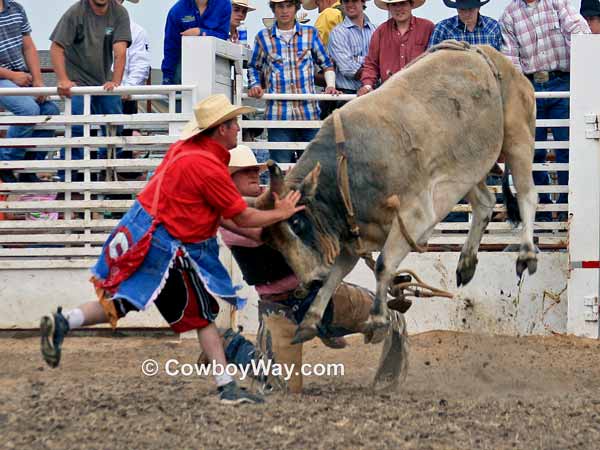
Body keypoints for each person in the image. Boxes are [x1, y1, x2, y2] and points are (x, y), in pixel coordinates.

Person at [39, 94, 305, 405]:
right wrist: (280, 214)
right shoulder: (207, 166)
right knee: (204, 314)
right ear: (220, 129)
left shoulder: (186, 151)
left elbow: (222, 215)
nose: (237, 128)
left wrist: (260, 230)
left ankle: (64, 321)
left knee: (124, 302)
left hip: (147, 235)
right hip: (168, 248)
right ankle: (226, 386)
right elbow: (240, 215)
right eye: (233, 124)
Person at [208, 145, 410, 393]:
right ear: (228, 180)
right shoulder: (230, 218)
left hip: (323, 295)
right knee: (282, 389)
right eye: (244, 171)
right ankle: (231, 345)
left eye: (254, 170)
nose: (253, 174)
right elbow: (265, 234)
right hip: (280, 310)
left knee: (390, 317)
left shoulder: (277, 200)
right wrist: (289, 202)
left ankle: (387, 384)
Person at [500, 0, 590, 221]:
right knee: (533, 151)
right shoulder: (510, 15)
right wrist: (518, 95)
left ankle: (570, 209)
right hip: (530, 86)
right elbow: (511, 61)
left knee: (568, 148)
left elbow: (578, 28)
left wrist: (581, 40)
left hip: (562, 82)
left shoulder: (557, 2)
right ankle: (541, 212)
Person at [248, 0, 338, 164]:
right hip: (278, 114)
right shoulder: (263, 37)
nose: (284, 11)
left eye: (288, 5)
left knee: (312, 168)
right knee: (281, 167)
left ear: (296, 7)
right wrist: (255, 85)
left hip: (308, 113)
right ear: (273, 9)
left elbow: (326, 64)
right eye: (280, 6)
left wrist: (331, 86)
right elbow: (254, 66)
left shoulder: (310, 33)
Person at [50, 0, 132, 176]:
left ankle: (106, 171)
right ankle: (68, 182)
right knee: (76, 129)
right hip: (77, 82)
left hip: (103, 81)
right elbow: (56, 47)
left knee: (115, 124)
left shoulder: (119, 13)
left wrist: (116, 82)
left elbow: (120, 51)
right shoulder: (75, 12)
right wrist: (63, 80)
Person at [0, 0, 59, 183]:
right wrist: (11, 75)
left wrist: (39, 82)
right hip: (4, 77)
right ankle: (5, 163)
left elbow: (28, 46)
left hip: (20, 76)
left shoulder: (16, 8)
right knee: (28, 110)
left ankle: (29, 166)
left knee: (51, 112)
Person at [358, 0, 434, 96]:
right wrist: (367, 85)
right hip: (389, 94)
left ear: (411, 4)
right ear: (388, 7)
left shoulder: (427, 28)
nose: (398, 8)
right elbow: (371, 64)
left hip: (420, 93)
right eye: (394, 4)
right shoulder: (381, 31)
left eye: (403, 3)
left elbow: (436, 61)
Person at [162, 0, 231, 85]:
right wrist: (166, 79)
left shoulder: (224, 4)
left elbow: (223, 37)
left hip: (216, 70)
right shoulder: (176, 11)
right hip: (184, 68)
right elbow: (170, 48)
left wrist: (200, 32)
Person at [328, 0, 375, 95]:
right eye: (346, 1)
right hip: (347, 93)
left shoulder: (374, 29)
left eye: (354, 0)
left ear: (363, 2)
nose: (349, 4)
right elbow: (348, 69)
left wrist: (356, 59)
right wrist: (372, 68)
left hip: (371, 91)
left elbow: (381, 60)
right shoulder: (337, 32)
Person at [116, 0, 151, 115]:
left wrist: (128, 88)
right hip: (92, 95)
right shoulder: (85, 26)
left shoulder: (136, 31)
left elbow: (140, 66)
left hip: (124, 99)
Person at [428, 0, 502, 50]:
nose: (466, 14)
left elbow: (500, 58)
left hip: (486, 72)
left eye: (471, 9)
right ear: (457, 9)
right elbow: (430, 60)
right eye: (462, 9)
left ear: (478, 8)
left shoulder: (492, 27)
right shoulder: (442, 29)